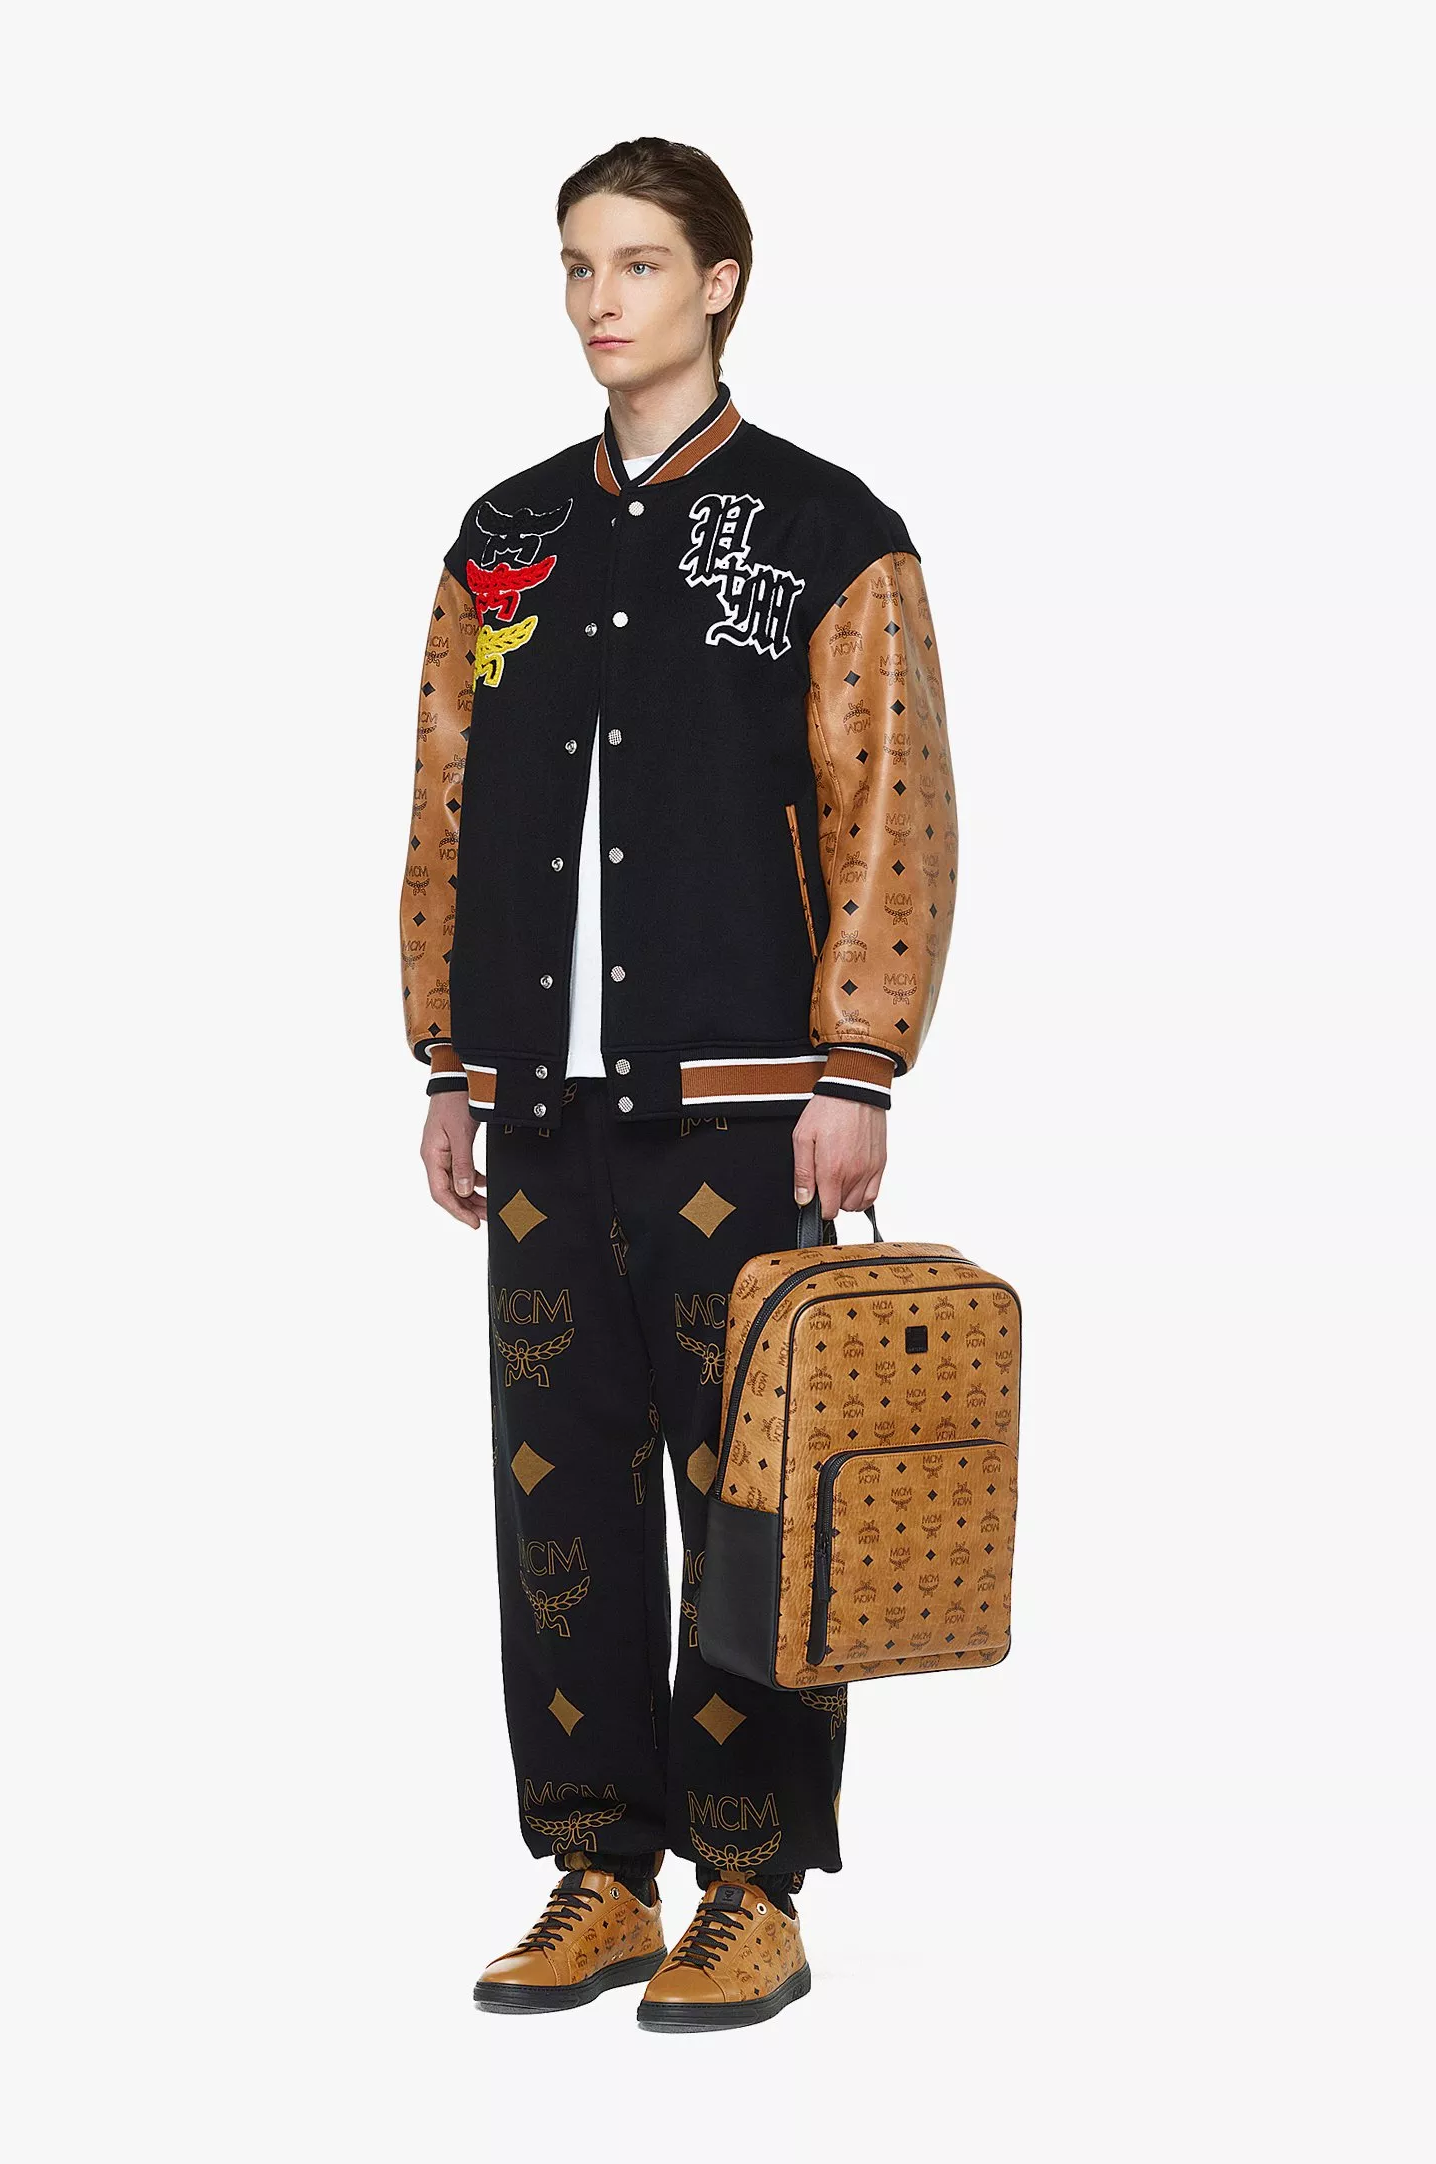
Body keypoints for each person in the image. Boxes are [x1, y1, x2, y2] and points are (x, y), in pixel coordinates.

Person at [397, 136, 959, 2030]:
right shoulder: (505, 539)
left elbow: (893, 807)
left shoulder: (826, 530)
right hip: (542, 1115)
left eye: (637, 263)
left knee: (754, 1512)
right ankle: (598, 1875)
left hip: (748, 1104)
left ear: (719, 281)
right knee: (554, 1505)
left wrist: (860, 1060)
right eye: (577, 265)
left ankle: (751, 1887)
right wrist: (451, 1063)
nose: (599, 299)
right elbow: (448, 804)